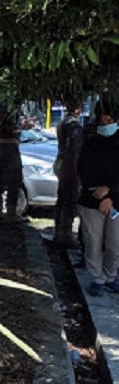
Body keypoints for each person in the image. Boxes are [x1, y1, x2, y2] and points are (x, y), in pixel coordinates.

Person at [77, 92, 119, 297]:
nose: (107, 122)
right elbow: (83, 169)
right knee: (93, 241)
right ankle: (97, 279)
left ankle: (111, 276)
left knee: (115, 244)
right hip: (91, 200)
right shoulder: (90, 139)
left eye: (111, 118)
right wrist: (101, 195)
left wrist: (111, 195)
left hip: (116, 203)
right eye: (104, 117)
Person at [52, 99, 84, 248]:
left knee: (61, 198)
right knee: (70, 200)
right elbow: (74, 149)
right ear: (78, 108)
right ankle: (65, 233)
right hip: (70, 166)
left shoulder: (62, 122)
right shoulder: (74, 125)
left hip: (62, 164)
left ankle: (59, 231)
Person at [0, 101, 27, 224]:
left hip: (0, 146)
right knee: (14, 180)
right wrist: (23, 126)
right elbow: (10, 129)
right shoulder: (10, 108)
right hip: (10, 146)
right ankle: (10, 213)